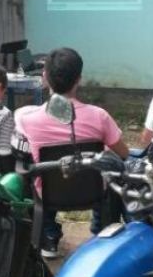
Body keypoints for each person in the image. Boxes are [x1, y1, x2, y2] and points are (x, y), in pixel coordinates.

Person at [13, 47, 130, 258]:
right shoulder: (100, 116)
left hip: (48, 193)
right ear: (79, 79)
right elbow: (123, 153)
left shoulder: (26, 119)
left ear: (45, 77)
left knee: (28, 173)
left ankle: (48, 237)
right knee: (114, 168)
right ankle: (101, 232)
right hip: (93, 192)